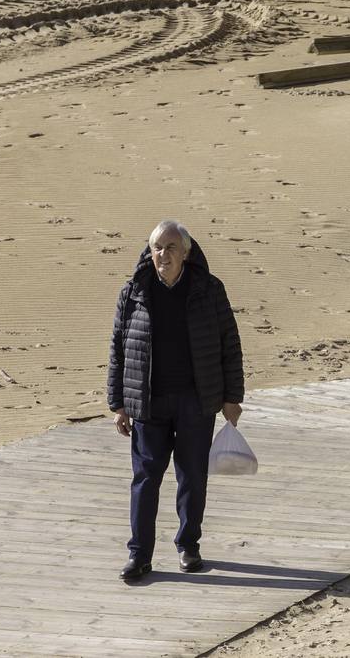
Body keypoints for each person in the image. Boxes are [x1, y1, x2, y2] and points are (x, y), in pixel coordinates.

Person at [107, 219, 244, 581]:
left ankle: (188, 545)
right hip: (148, 404)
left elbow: (229, 343)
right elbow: (118, 349)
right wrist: (117, 403)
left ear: (185, 252)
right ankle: (139, 555)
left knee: (192, 476)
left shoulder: (209, 289)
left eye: (170, 248)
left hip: (195, 402)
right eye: (157, 247)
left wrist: (232, 397)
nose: (162, 255)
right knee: (145, 478)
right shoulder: (134, 290)